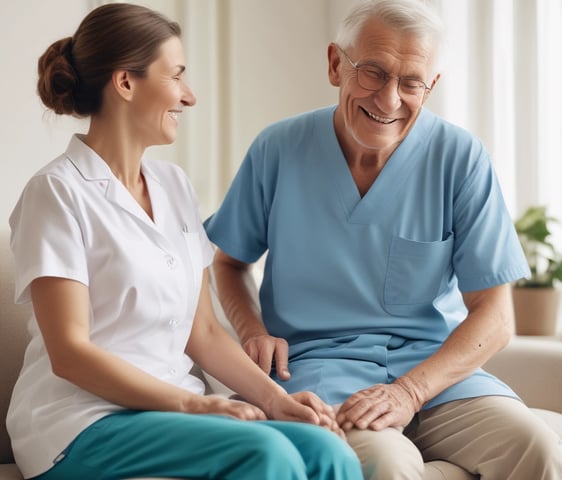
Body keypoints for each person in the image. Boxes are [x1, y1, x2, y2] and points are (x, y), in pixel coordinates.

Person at [204, 0, 562, 479]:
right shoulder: (278, 149)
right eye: (372, 72)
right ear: (336, 64)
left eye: (411, 81)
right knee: (387, 464)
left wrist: (409, 392)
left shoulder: (460, 158)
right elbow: (228, 261)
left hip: (437, 378)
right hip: (322, 374)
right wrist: (252, 331)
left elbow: (496, 318)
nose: (389, 99)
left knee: (538, 445)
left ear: (430, 86)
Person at [6, 4, 363, 480]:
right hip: (82, 424)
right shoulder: (57, 192)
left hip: (172, 413)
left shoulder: (173, 186)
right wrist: (195, 405)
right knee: (265, 454)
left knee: (328, 451)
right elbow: (70, 352)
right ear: (126, 83)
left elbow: (205, 334)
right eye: (175, 76)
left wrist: (277, 400)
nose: (189, 96)